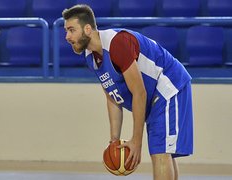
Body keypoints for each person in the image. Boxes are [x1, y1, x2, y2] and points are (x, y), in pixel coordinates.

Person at [62, 4, 193, 180]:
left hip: (168, 85)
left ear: (87, 29)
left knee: (160, 152)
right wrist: (114, 140)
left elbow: (139, 93)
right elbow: (112, 96)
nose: (67, 37)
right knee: (163, 152)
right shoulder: (90, 55)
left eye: (71, 30)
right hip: (154, 94)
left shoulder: (117, 43)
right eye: (66, 31)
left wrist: (136, 140)